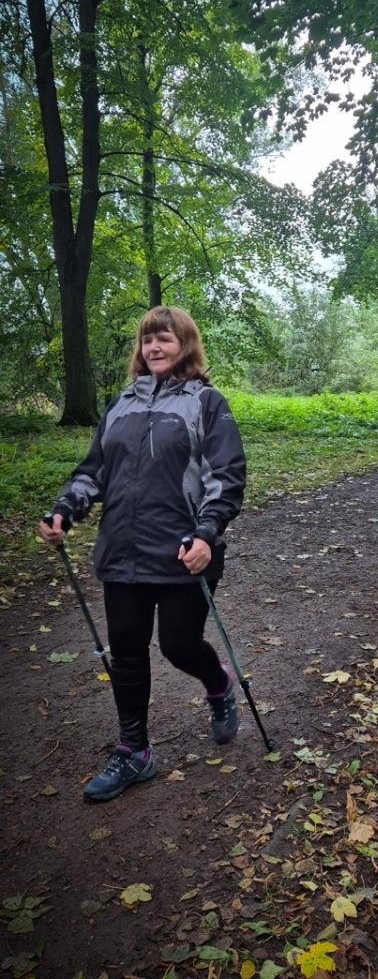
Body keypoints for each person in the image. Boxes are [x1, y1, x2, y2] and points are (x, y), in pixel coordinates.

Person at [38, 306, 246, 803]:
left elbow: (226, 476)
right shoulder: (120, 405)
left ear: (186, 346)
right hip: (123, 553)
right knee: (126, 654)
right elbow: (93, 471)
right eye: (148, 340)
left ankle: (218, 685)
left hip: (184, 553)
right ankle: (135, 751)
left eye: (165, 339)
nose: (154, 347)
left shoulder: (207, 403)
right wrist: (66, 509)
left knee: (178, 646)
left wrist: (206, 532)